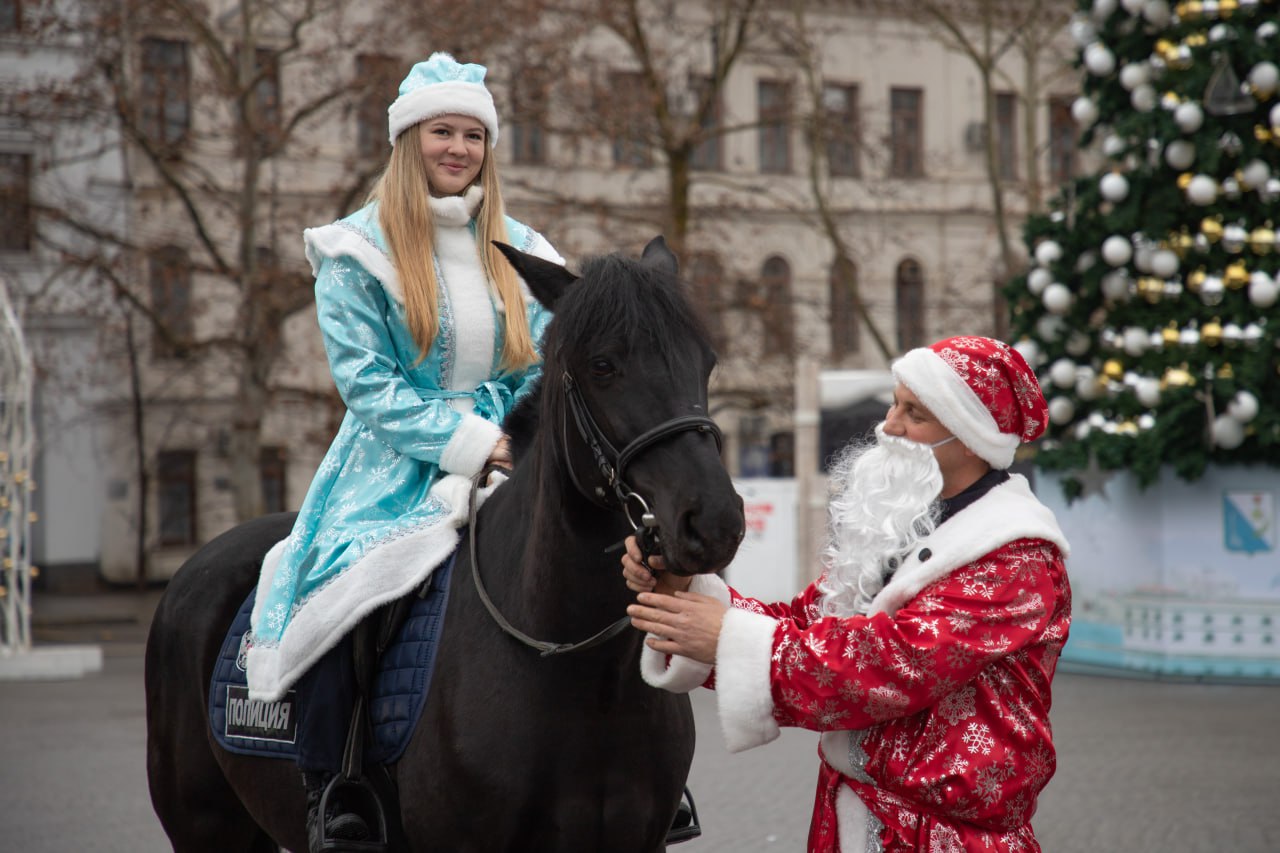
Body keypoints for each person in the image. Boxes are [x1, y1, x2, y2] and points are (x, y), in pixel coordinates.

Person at [242, 53, 563, 851]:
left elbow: (551, 358)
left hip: (517, 446)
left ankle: (642, 766)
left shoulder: (525, 246)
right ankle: (336, 782)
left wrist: (518, 440)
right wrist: (474, 445)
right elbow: (369, 387)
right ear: (408, 139)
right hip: (394, 461)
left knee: (594, 554)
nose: (457, 147)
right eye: (441, 131)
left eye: (472, 134)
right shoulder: (356, 249)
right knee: (358, 588)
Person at [623, 336, 1071, 852]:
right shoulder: (908, 528)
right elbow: (808, 622)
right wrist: (682, 588)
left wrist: (725, 637)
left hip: (948, 838)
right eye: (894, 403)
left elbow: (888, 666)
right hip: (854, 812)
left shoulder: (1014, 555)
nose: (889, 425)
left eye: (914, 413)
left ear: (970, 437)